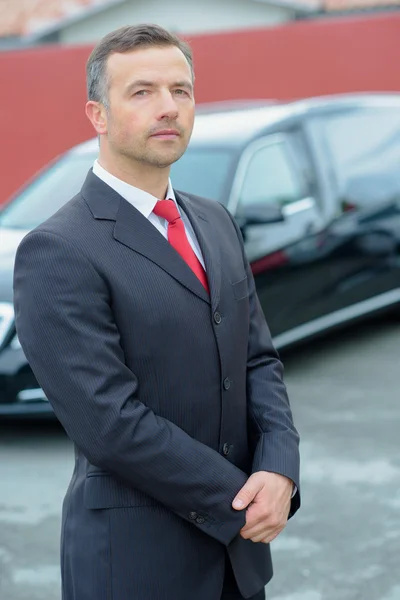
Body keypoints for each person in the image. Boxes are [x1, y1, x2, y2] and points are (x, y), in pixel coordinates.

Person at [13, 24, 300, 600]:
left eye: (181, 90)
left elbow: (258, 359)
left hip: (240, 565)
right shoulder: (58, 249)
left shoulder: (214, 219)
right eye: (142, 92)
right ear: (97, 114)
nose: (168, 107)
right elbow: (109, 422)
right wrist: (238, 499)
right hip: (136, 565)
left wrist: (280, 468)